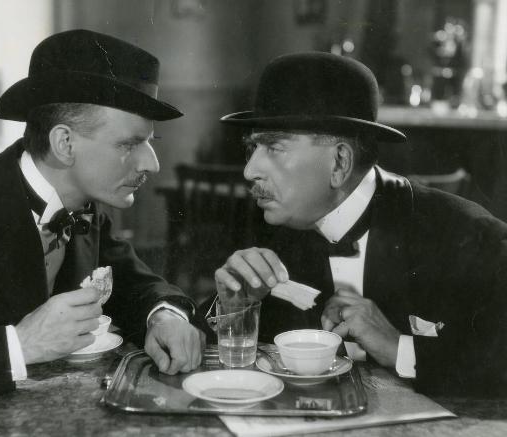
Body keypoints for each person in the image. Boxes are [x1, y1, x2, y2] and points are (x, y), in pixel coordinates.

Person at [0, 29, 204, 407]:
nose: (152, 163)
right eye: (129, 144)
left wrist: (163, 316)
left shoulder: (84, 209)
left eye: (149, 142)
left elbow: (134, 284)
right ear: (65, 144)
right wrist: (19, 345)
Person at [214, 52, 507, 396]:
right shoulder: (272, 226)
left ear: (339, 162)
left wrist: (399, 348)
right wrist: (236, 308)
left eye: (274, 147)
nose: (250, 170)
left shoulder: (465, 235)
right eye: (252, 147)